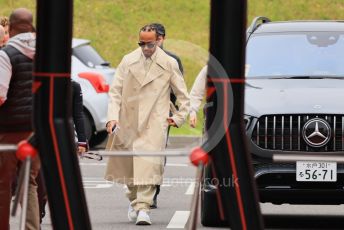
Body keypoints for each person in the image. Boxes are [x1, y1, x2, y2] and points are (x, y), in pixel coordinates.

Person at [104, 24, 189, 225]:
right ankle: (135, 201)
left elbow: (183, 95)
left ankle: (144, 208)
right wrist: (112, 118)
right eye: (142, 44)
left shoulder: (169, 63)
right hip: (128, 121)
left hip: (154, 121)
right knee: (129, 169)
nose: (146, 48)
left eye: (149, 44)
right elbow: (115, 92)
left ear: (157, 41)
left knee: (149, 166)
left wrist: (178, 118)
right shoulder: (128, 60)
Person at [0, 8, 40, 230]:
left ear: (11, 28)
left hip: (8, 129)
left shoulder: (6, 54)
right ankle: (32, 227)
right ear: (31, 26)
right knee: (30, 183)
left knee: (3, 183)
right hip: (36, 130)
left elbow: (0, 95)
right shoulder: (45, 53)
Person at [149, 22, 184, 209]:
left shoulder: (173, 60)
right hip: (139, 114)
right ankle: (139, 191)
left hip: (162, 114)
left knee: (156, 154)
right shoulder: (136, 58)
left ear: (162, 39)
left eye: (157, 38)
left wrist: (178, 114)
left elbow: (179, 90)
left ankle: (153, 192)